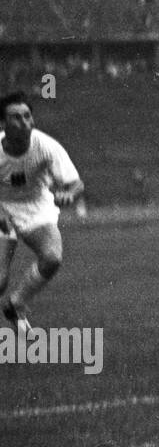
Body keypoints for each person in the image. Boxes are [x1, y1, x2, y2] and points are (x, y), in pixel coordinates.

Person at [0, 91, 84, 337]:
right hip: (2, 208)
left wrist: (70, 194)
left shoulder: (46, 146)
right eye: (16, 118)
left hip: (37, 207)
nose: (25, 123)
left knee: (52, 257)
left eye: (27, 116)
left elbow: (76, 183)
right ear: (3, 124)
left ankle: (15, 304)